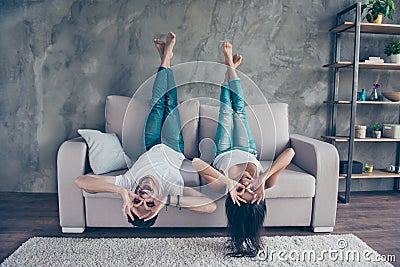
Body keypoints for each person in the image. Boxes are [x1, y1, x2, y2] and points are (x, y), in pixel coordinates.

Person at [75, 32, 216, 228]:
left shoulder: (127, 183)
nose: (143, 197)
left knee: (157, 103)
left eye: (135, 202)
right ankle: (165, 57)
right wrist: (167, 200)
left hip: (150, 144)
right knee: (170, 103)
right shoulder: (171, 190)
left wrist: (120, 192)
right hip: (173, 146)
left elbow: (81, 181)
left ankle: (165, 58)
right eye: (149, 204)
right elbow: (209, 206)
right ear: (156, 206)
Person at [192, 41, 295, 257]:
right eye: (252, 191)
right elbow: (290, 153)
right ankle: (230, 66)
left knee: (226, 110)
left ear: (233, 197)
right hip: (247, 148)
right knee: (239, 108)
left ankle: (229, 67)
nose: (246, 185)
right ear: (259, 196)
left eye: (241, 191)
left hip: (223, 149)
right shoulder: (265, 182)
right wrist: (263, 177)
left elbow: (197, 163)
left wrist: (229, 183)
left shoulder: (223, 187)